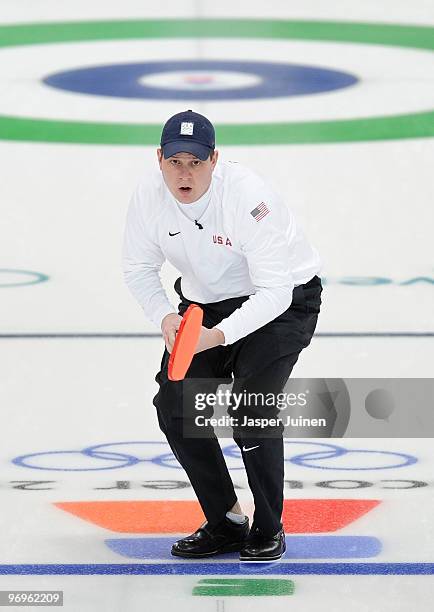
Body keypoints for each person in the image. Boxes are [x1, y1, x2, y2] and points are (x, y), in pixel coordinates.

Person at [122, 109, 322, 562]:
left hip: (282, 303)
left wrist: (222, 335)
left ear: (215, 160)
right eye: (175, 162)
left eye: (195, 162)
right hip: (203, 304)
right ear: (160, 159)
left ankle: (269, 527)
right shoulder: (149, 196)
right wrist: (164, 316)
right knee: (175, 406)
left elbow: (276, 290)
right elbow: (137, 267)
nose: (184, 173)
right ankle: (227, 521)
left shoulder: (249, 199)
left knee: (251, 406)